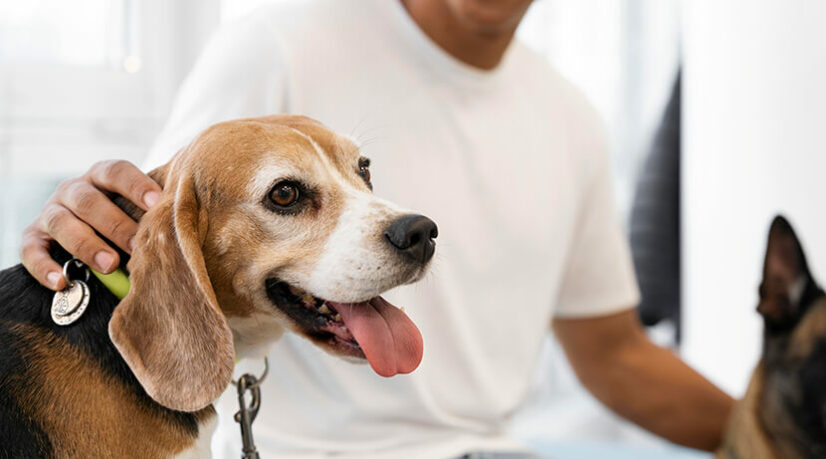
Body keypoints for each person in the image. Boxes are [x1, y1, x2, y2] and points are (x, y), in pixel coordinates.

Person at [20, 0, 734, 457]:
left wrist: (785, 435)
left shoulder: (571, 114)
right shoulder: (276, 44)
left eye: (364, 174)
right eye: (292, 195)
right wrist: (78, 219)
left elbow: (615, 354)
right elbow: (155, 222)